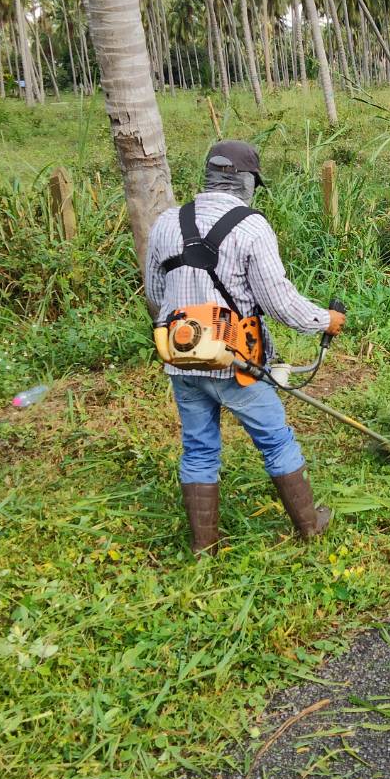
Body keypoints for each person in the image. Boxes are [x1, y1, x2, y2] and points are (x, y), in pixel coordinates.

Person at [144, 140, 346, 555]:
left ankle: (205, 546)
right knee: (276, 440)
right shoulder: (251, 226)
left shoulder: (166, 222)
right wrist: (326, 320)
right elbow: (280, 302)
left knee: (198, 448)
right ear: (247, 182)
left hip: (181, 360)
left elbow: (155, 294)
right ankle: (310, 526)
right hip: (238, 364)